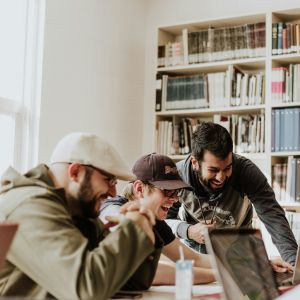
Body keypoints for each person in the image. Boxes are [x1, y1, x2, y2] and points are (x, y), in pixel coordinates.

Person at [0, 132, 161, 300]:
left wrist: (143, 225)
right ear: (75, 172)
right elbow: (86, 289)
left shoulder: (76, 209)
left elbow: (131, 283)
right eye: (109, 181)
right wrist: (133, 229)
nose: (113, 193)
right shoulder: (30, 206)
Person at [166, 122, 298, 267]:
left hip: (239, 254)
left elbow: (273, 217)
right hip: (195, 257)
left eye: (227, 168)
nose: (221, 177)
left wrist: (293, 264)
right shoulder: (177, 177)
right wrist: (188, 231)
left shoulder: (247, 172)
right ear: (195, 163)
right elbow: (164, 221)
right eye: (213, 170)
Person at [100, 153, 215, 285]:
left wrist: (234, 264)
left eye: (177, 192)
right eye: (168, 191)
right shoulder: (113, 210)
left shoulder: (153, 219)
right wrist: (217, 275)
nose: (174, 199)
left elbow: (193, 259)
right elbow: (145, 270)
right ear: (139, 188)